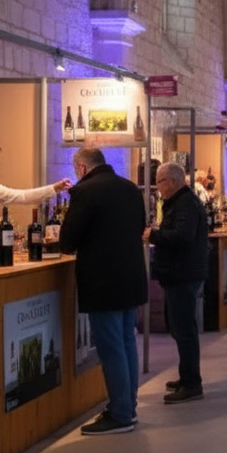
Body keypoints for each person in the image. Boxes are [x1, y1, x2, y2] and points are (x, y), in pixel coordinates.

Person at [60, 147, 148, 435]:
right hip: (131, 276)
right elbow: (140, 227)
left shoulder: (85, 192)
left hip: (103, 281)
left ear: (82, 168)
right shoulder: (130, 189)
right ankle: (128, 406)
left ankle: (121, 414)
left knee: (111, 348)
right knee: (125, 343)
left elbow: (68, 240)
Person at [144, 162, 209, 405]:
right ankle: (186, 376)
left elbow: (183, 237)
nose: (158, 187)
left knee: (185, 331)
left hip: (184, 273)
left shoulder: (185, 203)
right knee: (179, 328)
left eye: (159, 182)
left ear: (171, 181)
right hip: (179, 273)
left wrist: (154, 235)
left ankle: (192, 383)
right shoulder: (181, 202)